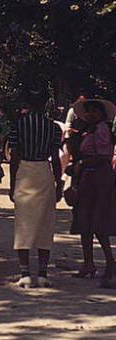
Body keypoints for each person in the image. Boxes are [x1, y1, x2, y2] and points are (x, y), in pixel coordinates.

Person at [8, 86, 64, 288]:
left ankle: (24, 272)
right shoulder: (53, 128)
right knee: (45, 222)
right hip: (44, 170)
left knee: (24, 221)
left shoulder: (18, 126)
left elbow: (14, 156)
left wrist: (12, 182)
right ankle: (42, 272)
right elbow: (56, 158)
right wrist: (58, 184)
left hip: (25, 170)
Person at [69, 98, 116, 288]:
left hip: (99, 178)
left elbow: (104, 156)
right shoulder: (87, 130)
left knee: (98, 221)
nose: (91, 114)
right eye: (88, 111)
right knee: (84, 220)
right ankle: (88, 263)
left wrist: (82, 164)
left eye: (94, 111)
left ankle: (110, 263)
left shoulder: (102, 129)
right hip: (87, 177)